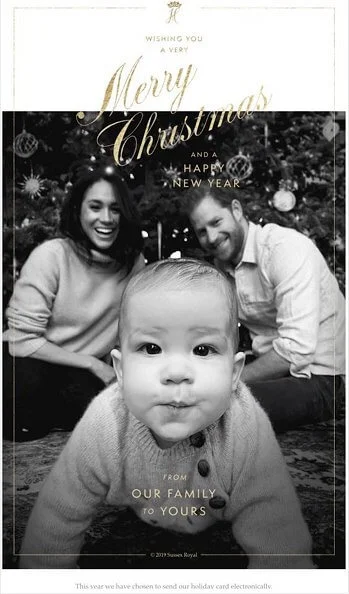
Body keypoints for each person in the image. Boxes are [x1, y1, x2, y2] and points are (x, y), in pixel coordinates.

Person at [20, 259, 314, 569]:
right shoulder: (105, 422)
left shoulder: (245, 424)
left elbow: (281, 538)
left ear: (233, 374)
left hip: (218, 510)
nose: (176, 373)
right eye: (150, 348)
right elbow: (57, 515)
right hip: (143, 505)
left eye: (202, 350)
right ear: (120, 370)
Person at [183, 183, 345, 433]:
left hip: (323, 378)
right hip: (277, 373)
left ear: (236, 210)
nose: (212, 237)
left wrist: (227, 381)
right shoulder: (222, 268)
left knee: (219, 408)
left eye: (216, 222)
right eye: (202, 231)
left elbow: (296, 350)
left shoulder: (285, 249)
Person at [3, 161, 145, 441]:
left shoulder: (133, 264)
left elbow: (134, 331)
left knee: (108, 415)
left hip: (77, 373)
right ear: (78, 211)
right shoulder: (52, 255)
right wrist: (91, 364)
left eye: (115, 209)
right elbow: (20, 340)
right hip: (30, 359)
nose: (106, 218)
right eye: (95, 207)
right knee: (25, 416)